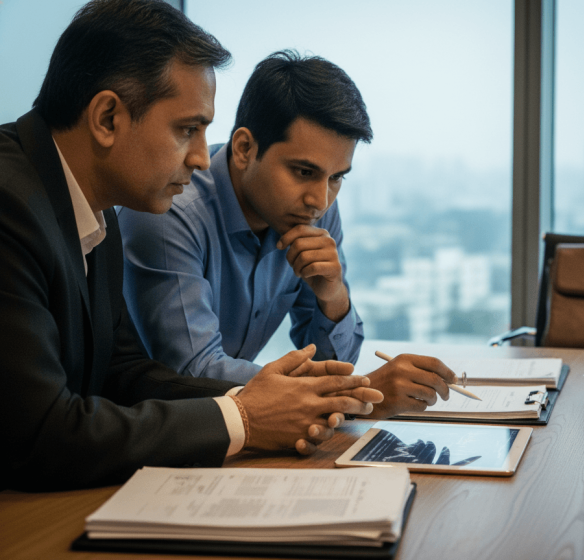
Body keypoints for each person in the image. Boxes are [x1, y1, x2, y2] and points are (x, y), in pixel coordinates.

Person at [0, 0, 382, 492]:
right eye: (188, 130)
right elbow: (41, 435)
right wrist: (244, 416)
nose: (204, 158)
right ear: (108, 118)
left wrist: (283, 399)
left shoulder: (96, 213)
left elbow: (125, 373)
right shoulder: (10, 205)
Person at [119, 50, 459, 418]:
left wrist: (333, 296)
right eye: (303, 172)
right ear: (245, 148)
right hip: (149, 434)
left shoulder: (315, 210)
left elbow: (335, 362)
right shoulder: (172, 212)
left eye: (337, 177)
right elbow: (194, 371)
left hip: (239, 426)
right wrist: (360, 392)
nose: (320, 199)